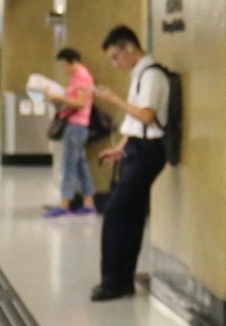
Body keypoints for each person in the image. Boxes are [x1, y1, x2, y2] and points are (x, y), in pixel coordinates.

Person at [88, 25, 169, 301]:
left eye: (115, 56)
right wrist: (120, 147)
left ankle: (112, 281)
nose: (115, 63)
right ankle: (123, 281)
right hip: (136, 147)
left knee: (115, 213)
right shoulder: (139, 75)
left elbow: (146, 116)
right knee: (131, 217)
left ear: (129, 47)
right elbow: (135, 123)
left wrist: (114, 99)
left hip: (148, 151)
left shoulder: (152, 76)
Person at [45, 47, 98, 219]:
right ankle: (89, 203)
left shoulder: (81, 76)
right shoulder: (78, 76)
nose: (63, 69)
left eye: (64, 65)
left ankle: (64, 204)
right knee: (80, 165)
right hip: (78, 125)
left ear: (72, 62)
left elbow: (81, 103)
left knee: (69, 165)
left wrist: (59, 98)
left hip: (76, 125)